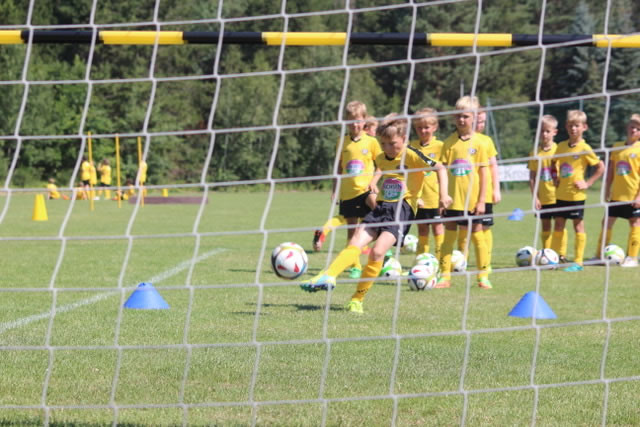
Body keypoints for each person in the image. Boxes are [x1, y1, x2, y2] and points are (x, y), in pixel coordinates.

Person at [300, 114, 451, 314]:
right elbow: (384, 171)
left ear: (403, 139)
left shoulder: (412, 154)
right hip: (381, 207)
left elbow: (440, 168)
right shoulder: (381, 157)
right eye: (383, 143)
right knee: (355, 241)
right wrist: (374, 184)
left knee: (377, 252)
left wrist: (443, 195)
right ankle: (328, 275)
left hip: (401, 211)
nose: (387, 148)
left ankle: (357, 299)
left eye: (392, 143)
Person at [312, 101, 380, 279]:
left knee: (379, 211)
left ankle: (384, 251)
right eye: (351, 121)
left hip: (366, 190)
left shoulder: (371, 142)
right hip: (348, 193)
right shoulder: (342, 142)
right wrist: (335, 190)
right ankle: (355, 266)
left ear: (364, 120)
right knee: (352, 232)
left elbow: (381, 165)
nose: (355, 125)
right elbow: (338, 167)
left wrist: (374, 182)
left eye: (358, 121)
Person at [436, 95, 492, 289]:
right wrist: (442, 197)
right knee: (448, 238)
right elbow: (442, 172)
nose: (461, 120)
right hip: (453, 201)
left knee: (477, 236)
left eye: (466, 116)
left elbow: (484, 174)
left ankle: (483, 276)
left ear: (474, 118)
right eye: (458, 116)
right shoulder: (448, 143)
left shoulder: (480, 143)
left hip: (472, 201)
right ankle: (445, 277)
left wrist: (482, 200)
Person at [550, 110, 605, 271]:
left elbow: (600, 167)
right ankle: (555, 258)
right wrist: (555, 176)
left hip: (576, 196)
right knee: (558, 225)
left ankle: (578, 262)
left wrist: (588, 183)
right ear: (566, 127)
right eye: (570, 125)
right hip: (561, 193)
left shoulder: (584, 147)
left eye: (576, 126)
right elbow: (553, 163)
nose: (573, 129)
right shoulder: (561, 146)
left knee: (578, 226)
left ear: (584, 127)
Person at [591, 113, 640, 267]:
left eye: (638, 129)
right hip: (616, 195)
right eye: (632, 127)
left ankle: (632, 258)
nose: (634, 130)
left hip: (633, 196)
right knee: (606, 223)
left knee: (635, 224)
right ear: (627, 127)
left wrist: (639, 197)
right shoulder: (617, 147)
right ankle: (599, 256)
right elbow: (611, 170)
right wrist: (606, 189)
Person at [457, 110, 501, 270]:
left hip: (485, 192)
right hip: (465, 194)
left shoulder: (486, 141)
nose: (480, 125)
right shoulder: (459, 141)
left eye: (483, 122)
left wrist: (496, 189)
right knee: (463, 228)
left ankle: (485, 263)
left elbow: (493, 166)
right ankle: (461, 261)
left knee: (484, 227)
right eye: (478, 121)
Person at [528, 115, 567, 253]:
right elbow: (532, 177)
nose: (544, 134)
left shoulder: (559, 150)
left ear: (554, 132)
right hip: (543, 198)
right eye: (541, 131)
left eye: (547, 131)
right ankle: (547, 253)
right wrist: (535, 197)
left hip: (558, 196)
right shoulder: (534, 153)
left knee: (559, 225)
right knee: (545, 225)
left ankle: (560, 254)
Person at [410, 107, 445, 259]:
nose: (423, 131)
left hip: (435, 198)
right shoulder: (411, 146)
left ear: (434, 127)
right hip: (419, 198)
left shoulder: (441, 146)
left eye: (426, 127)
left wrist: (444, 195)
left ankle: (441, 261)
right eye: (419, 127)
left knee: (438, 229)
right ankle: (421, 261)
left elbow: (444, 171)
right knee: (422, 230)